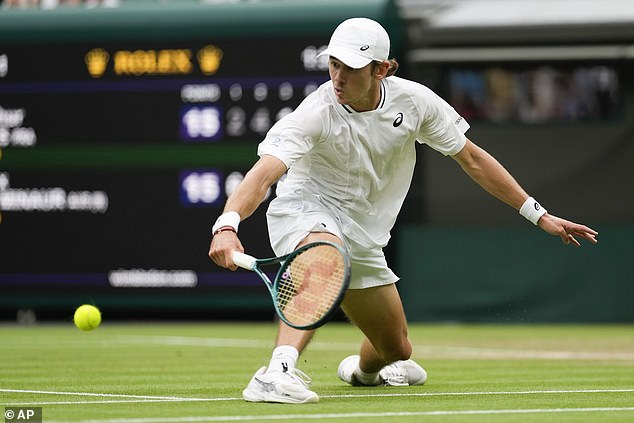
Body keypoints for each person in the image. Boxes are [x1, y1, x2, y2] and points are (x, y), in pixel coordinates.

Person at [208, 17, 598, 404]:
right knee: (325, 254)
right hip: (307, 208)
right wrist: (227, 225)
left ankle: (363, 374)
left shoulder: (414, 102)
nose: (338, 77)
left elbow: (474, 160)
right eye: (334, 65)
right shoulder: (316, 113)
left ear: (382, 69)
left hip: (362, 233)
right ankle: (276, 373)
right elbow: (262, 176)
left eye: (351, 68)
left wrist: (539, 215)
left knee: (397, 349)